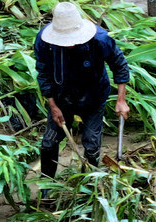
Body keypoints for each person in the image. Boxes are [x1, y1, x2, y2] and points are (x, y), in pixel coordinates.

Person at [35, 2, 129, 193]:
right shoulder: (45, 42)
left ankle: (90, 187)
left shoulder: (100, 40)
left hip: (93, 96)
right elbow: (43, 73)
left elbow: (119, 65)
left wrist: (121, 100)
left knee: (92, 146)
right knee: (48, 144)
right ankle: (46, 188)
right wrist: (53, 106)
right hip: (61, 98)